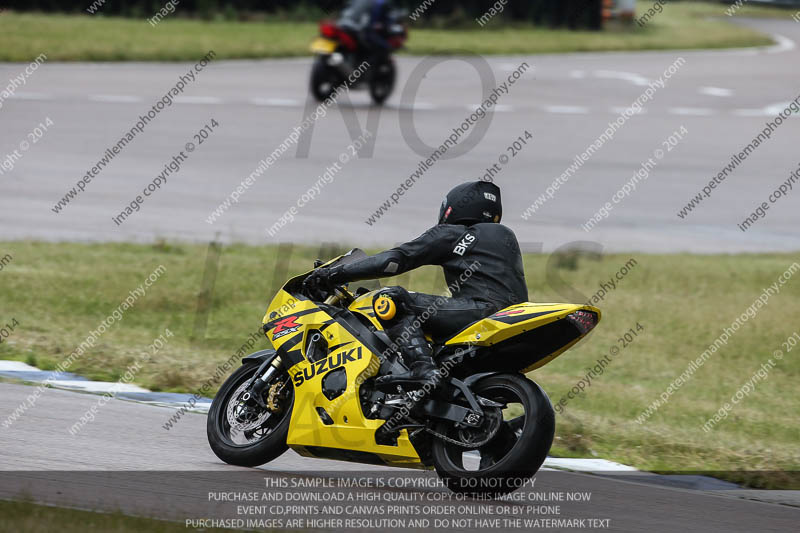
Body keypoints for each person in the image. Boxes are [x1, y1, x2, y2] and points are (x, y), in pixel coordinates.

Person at [306, 181, 528, 390]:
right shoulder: (505, 237)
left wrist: (332, 274)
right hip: (513, 317)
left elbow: (393, 261)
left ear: (454, 208)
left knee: (390, 299)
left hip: (482, 311)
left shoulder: (454, 233)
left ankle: (422, 368)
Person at [337, 0, 395, 67]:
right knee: (383, 46)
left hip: (343, 25)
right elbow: (371, 22)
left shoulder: (357, 2)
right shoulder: (378, 3)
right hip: (359, 30)